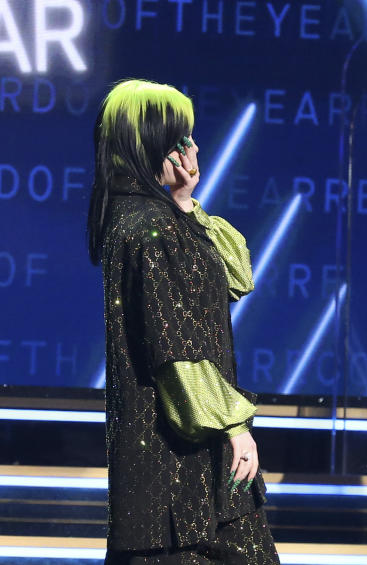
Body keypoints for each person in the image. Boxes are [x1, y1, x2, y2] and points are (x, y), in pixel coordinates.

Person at [86, 79, 280, 564]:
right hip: (181, 473)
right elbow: (176, 349)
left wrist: (186, 202)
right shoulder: (148, 231)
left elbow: (237, 276)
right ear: (147, 145)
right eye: (178, 140)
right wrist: (235, 427)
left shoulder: (154, 220)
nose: (192, 150)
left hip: (184, 476)